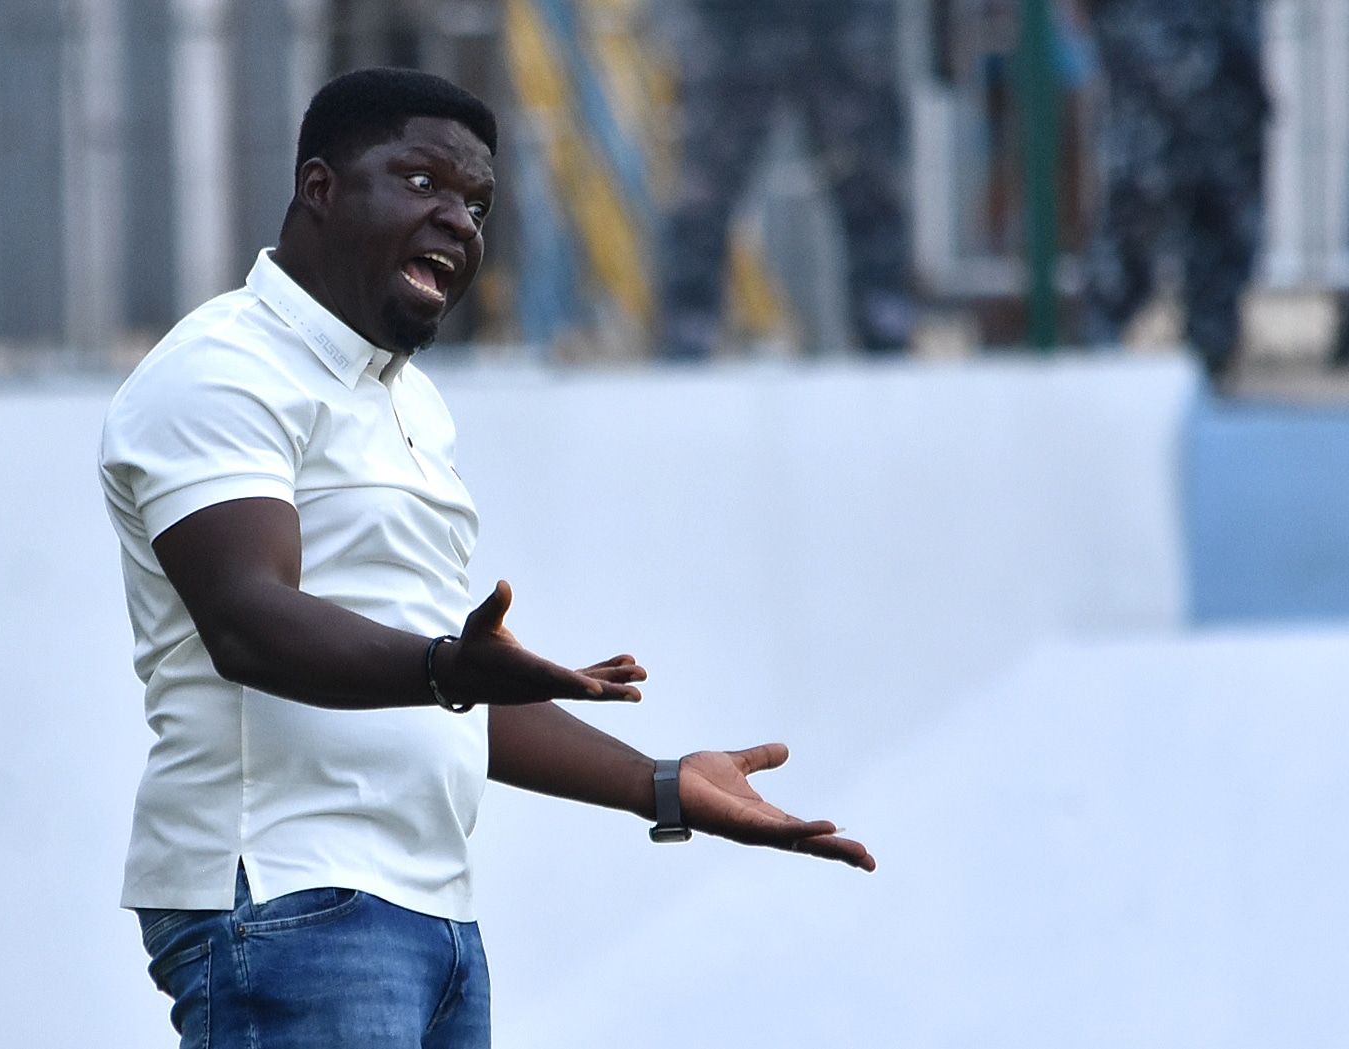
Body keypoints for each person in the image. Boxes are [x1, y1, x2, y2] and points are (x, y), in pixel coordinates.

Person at [98, 67, 874, 1049]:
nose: (460, 221)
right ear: (320, 188)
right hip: (287, 893)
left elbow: (440, 678)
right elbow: (249, 621)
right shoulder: (221, 369)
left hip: (434, 916)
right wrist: (445, 667)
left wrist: (663, 782)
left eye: (477, 203)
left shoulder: (411, 404)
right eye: (424, 182)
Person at [657, 0, 916, 359]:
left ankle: (888, 332)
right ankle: (685, 341)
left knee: (868, 177)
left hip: (838, 17)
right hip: (731, 17)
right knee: (706, 190)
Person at [1080, 0, 1270, 382]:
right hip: (1147, 25)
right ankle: (1092, 360)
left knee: (1223, 194)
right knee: (1142, 188)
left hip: (1222, 36)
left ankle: (1212, 363)